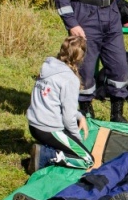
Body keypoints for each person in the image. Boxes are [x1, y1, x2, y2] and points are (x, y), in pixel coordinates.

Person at [24, 35, 93, 175]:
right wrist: (76, 139)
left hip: (33, 125)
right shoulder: (69, 79)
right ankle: (47, 155)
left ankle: (45, 149)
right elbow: (68, 117)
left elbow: (55, 101)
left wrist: (80, 116)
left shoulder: (48, 67)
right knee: (87, 160)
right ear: (81, 58)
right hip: (49, 129)